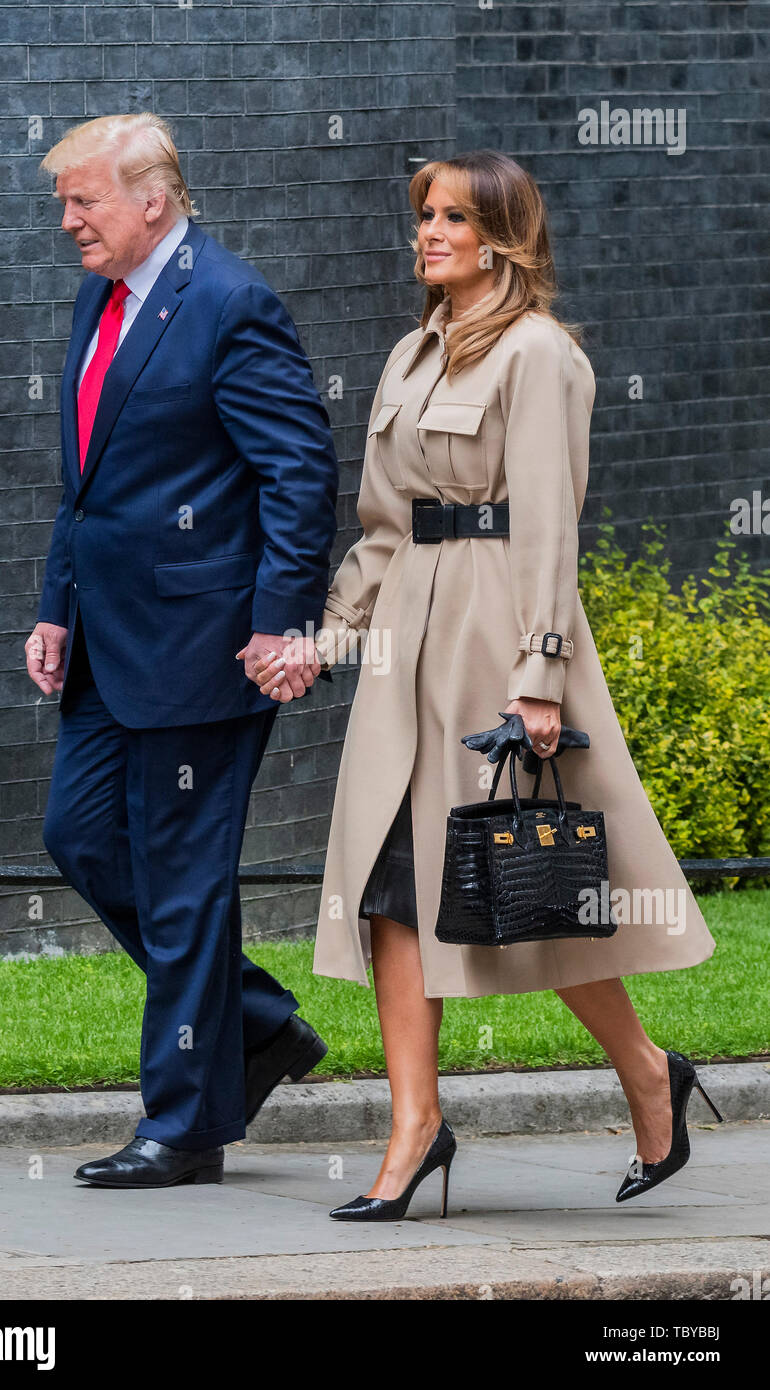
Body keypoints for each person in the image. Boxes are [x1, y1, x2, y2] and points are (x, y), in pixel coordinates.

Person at [250, 151, 719, 1218]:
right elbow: (381, 528)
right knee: (390, 891)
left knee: (519, 894)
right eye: (423, 213)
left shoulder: (539, 353)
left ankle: (649, 1071)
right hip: (403, 650)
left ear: (500, 233)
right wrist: (322, 639)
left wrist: (540, 676)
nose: (427, 232)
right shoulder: (410, 353)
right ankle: (414, 1127)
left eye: (452, 216)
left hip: (495, 637)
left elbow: (549, 521)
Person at [25, 113, 337, 1188]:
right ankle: (254, 1023)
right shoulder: (99, 298)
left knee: (183, 877)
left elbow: (298, 471)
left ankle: (182, 1124)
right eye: (65, 202)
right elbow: (88, 478)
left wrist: (281, 620)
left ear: (150, 199)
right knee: (80, 834)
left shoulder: (227, 301)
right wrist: (55, 604)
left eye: (83, 200)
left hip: (205, 645)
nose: (67, 221)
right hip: (108, 642)